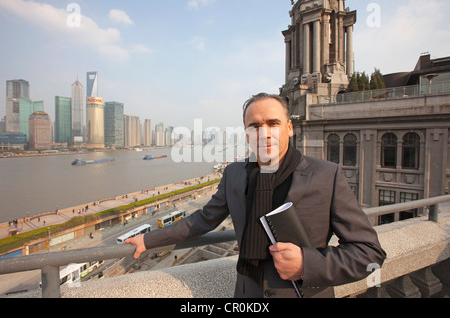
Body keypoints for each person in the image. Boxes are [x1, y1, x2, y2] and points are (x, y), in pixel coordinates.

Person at [125, 93, 386, 298]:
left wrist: (308, 264)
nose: (264, 133)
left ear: (290, 128)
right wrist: (148, 240)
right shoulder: (235, 174)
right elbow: (203, 219)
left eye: (273, 123)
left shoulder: (326, 175)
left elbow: (369, 253)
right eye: (255, 126)